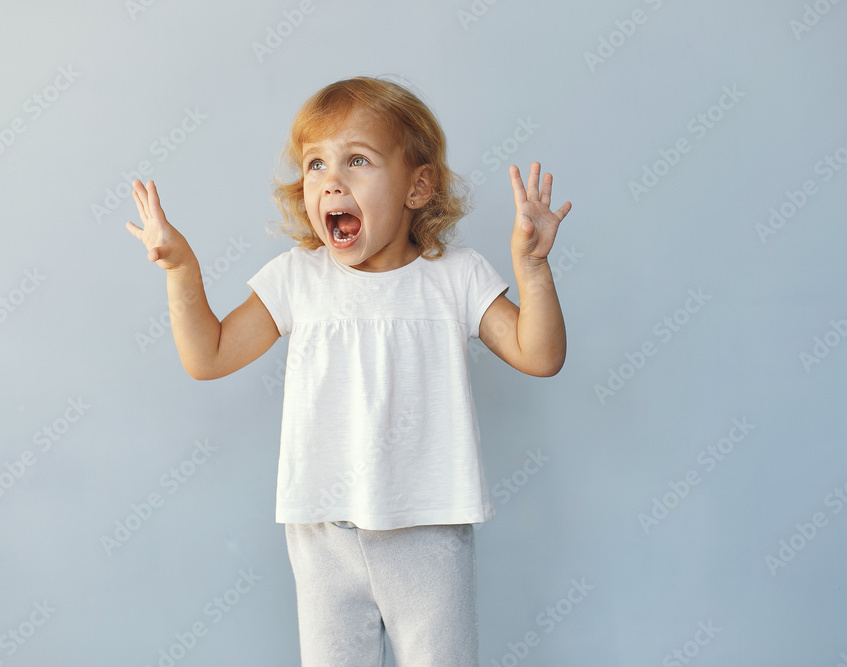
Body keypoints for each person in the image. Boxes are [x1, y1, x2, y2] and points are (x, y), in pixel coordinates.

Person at [126, 76, 570, 666]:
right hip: (322, 532)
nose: (330, 179)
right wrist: (181, 271)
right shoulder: (298, 277)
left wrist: (533, 268)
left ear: (418, 186)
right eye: (315, 165)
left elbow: (539, 355)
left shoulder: (455, 276)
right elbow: (207, 356)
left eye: (357, 160)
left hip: (428, 527)